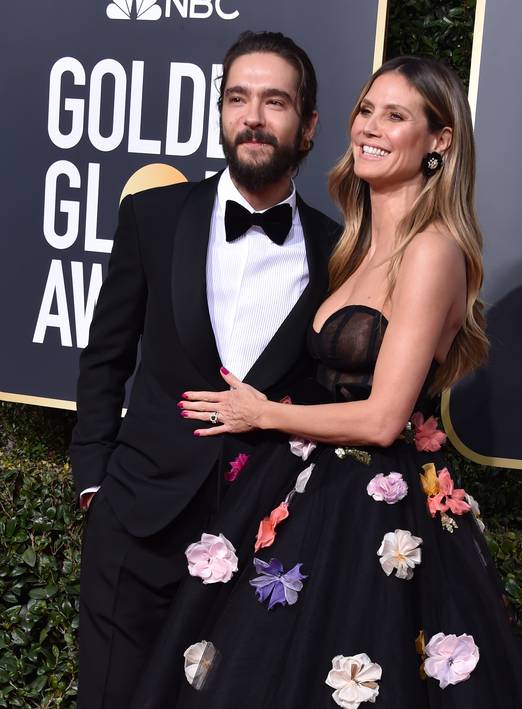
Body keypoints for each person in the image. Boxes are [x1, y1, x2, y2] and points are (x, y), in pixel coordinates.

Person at [131, 57, 522, 708]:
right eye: (366, 110)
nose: (370, 128)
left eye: (396, 115)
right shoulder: (353, 246)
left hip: (372, 515)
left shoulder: (433, 249)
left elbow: (384, 417)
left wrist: (263, 413)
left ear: (439, 142)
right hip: (306, 496)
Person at [69, 31, 340, 709]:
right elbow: (106, 355)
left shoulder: (340, 252)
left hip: (263, 539)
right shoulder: (153, 217)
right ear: (220, 112)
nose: (253, 116)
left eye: (275, 102)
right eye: (238, 98)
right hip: (137, 523)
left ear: (307, 127)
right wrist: (93, 483)